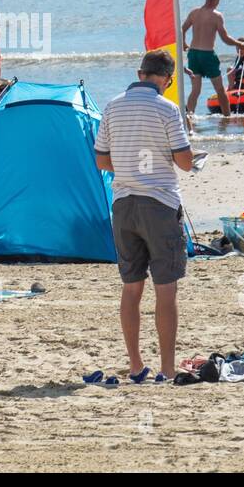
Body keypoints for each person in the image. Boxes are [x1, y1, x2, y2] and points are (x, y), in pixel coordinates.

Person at [94, 50, 194, 382]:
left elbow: (102, 161)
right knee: (166, 290)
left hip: (124, 204)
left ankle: (136, 365)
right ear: (167, 79)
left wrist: (130, 166)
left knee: (131, 288)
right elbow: (184, 161)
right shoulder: (168, 109)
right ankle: (166, 368)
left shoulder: (112, 106)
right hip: (160, 203)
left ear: (140, 74)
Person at [180, 0, 244, 117]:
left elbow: (182, 29)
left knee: (195, 90)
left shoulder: (194, 13)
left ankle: (189, 117)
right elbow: (225, 38)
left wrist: (183, 43)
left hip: (193, 54)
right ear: (215, 0)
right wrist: (239, 44)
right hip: (207, 55)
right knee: (220, 89)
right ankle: (227, 117)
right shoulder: (217, 16)